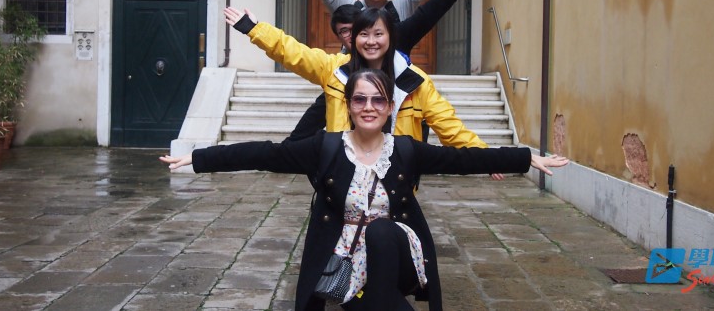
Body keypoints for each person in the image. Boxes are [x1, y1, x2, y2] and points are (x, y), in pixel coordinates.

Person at [159, 69, 570, 311]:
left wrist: (523, 158)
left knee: (381, 232)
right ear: (349, 105)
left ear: (389, 108)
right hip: (345, 260)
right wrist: (199, 158)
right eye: (359, 99)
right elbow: (265, 153)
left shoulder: (405, 150)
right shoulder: (325, 147)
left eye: (377, 100)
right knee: (374, 302)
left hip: (399, 252)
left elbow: (462, 160)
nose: (368, 107)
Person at [224, 0, 486, 151]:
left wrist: (485, 156)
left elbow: (449, 125)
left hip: (395, 182)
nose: (371, 42)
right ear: (353, 38)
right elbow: (293, 52)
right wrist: (254, 29)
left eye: (378, 34)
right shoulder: (334, 69)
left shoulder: (414, 81)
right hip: (342, 175)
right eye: (363, 34)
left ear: (390, 36)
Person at [285, 0, 484, 143]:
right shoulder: (338, 77)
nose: (368, 41)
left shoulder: (402, 52)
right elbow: (289, 50)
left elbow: (427, 14)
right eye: (344, 32)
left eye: (375, 33)